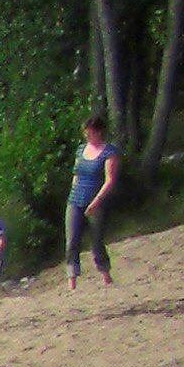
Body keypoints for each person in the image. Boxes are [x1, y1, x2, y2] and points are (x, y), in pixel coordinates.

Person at [67, 117, 119, 287]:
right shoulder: (81, 149)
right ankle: (72, 280)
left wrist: (96, 202)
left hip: (96, 200)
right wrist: (73, 192)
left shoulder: (109, 152)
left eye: (90, 132)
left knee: (96, 240)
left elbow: (109, 180)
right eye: (86, 132)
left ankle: (105, 274)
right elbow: (76, 173)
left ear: (98, 132)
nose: (87, 135)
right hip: (75, 199)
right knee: (72, 240)